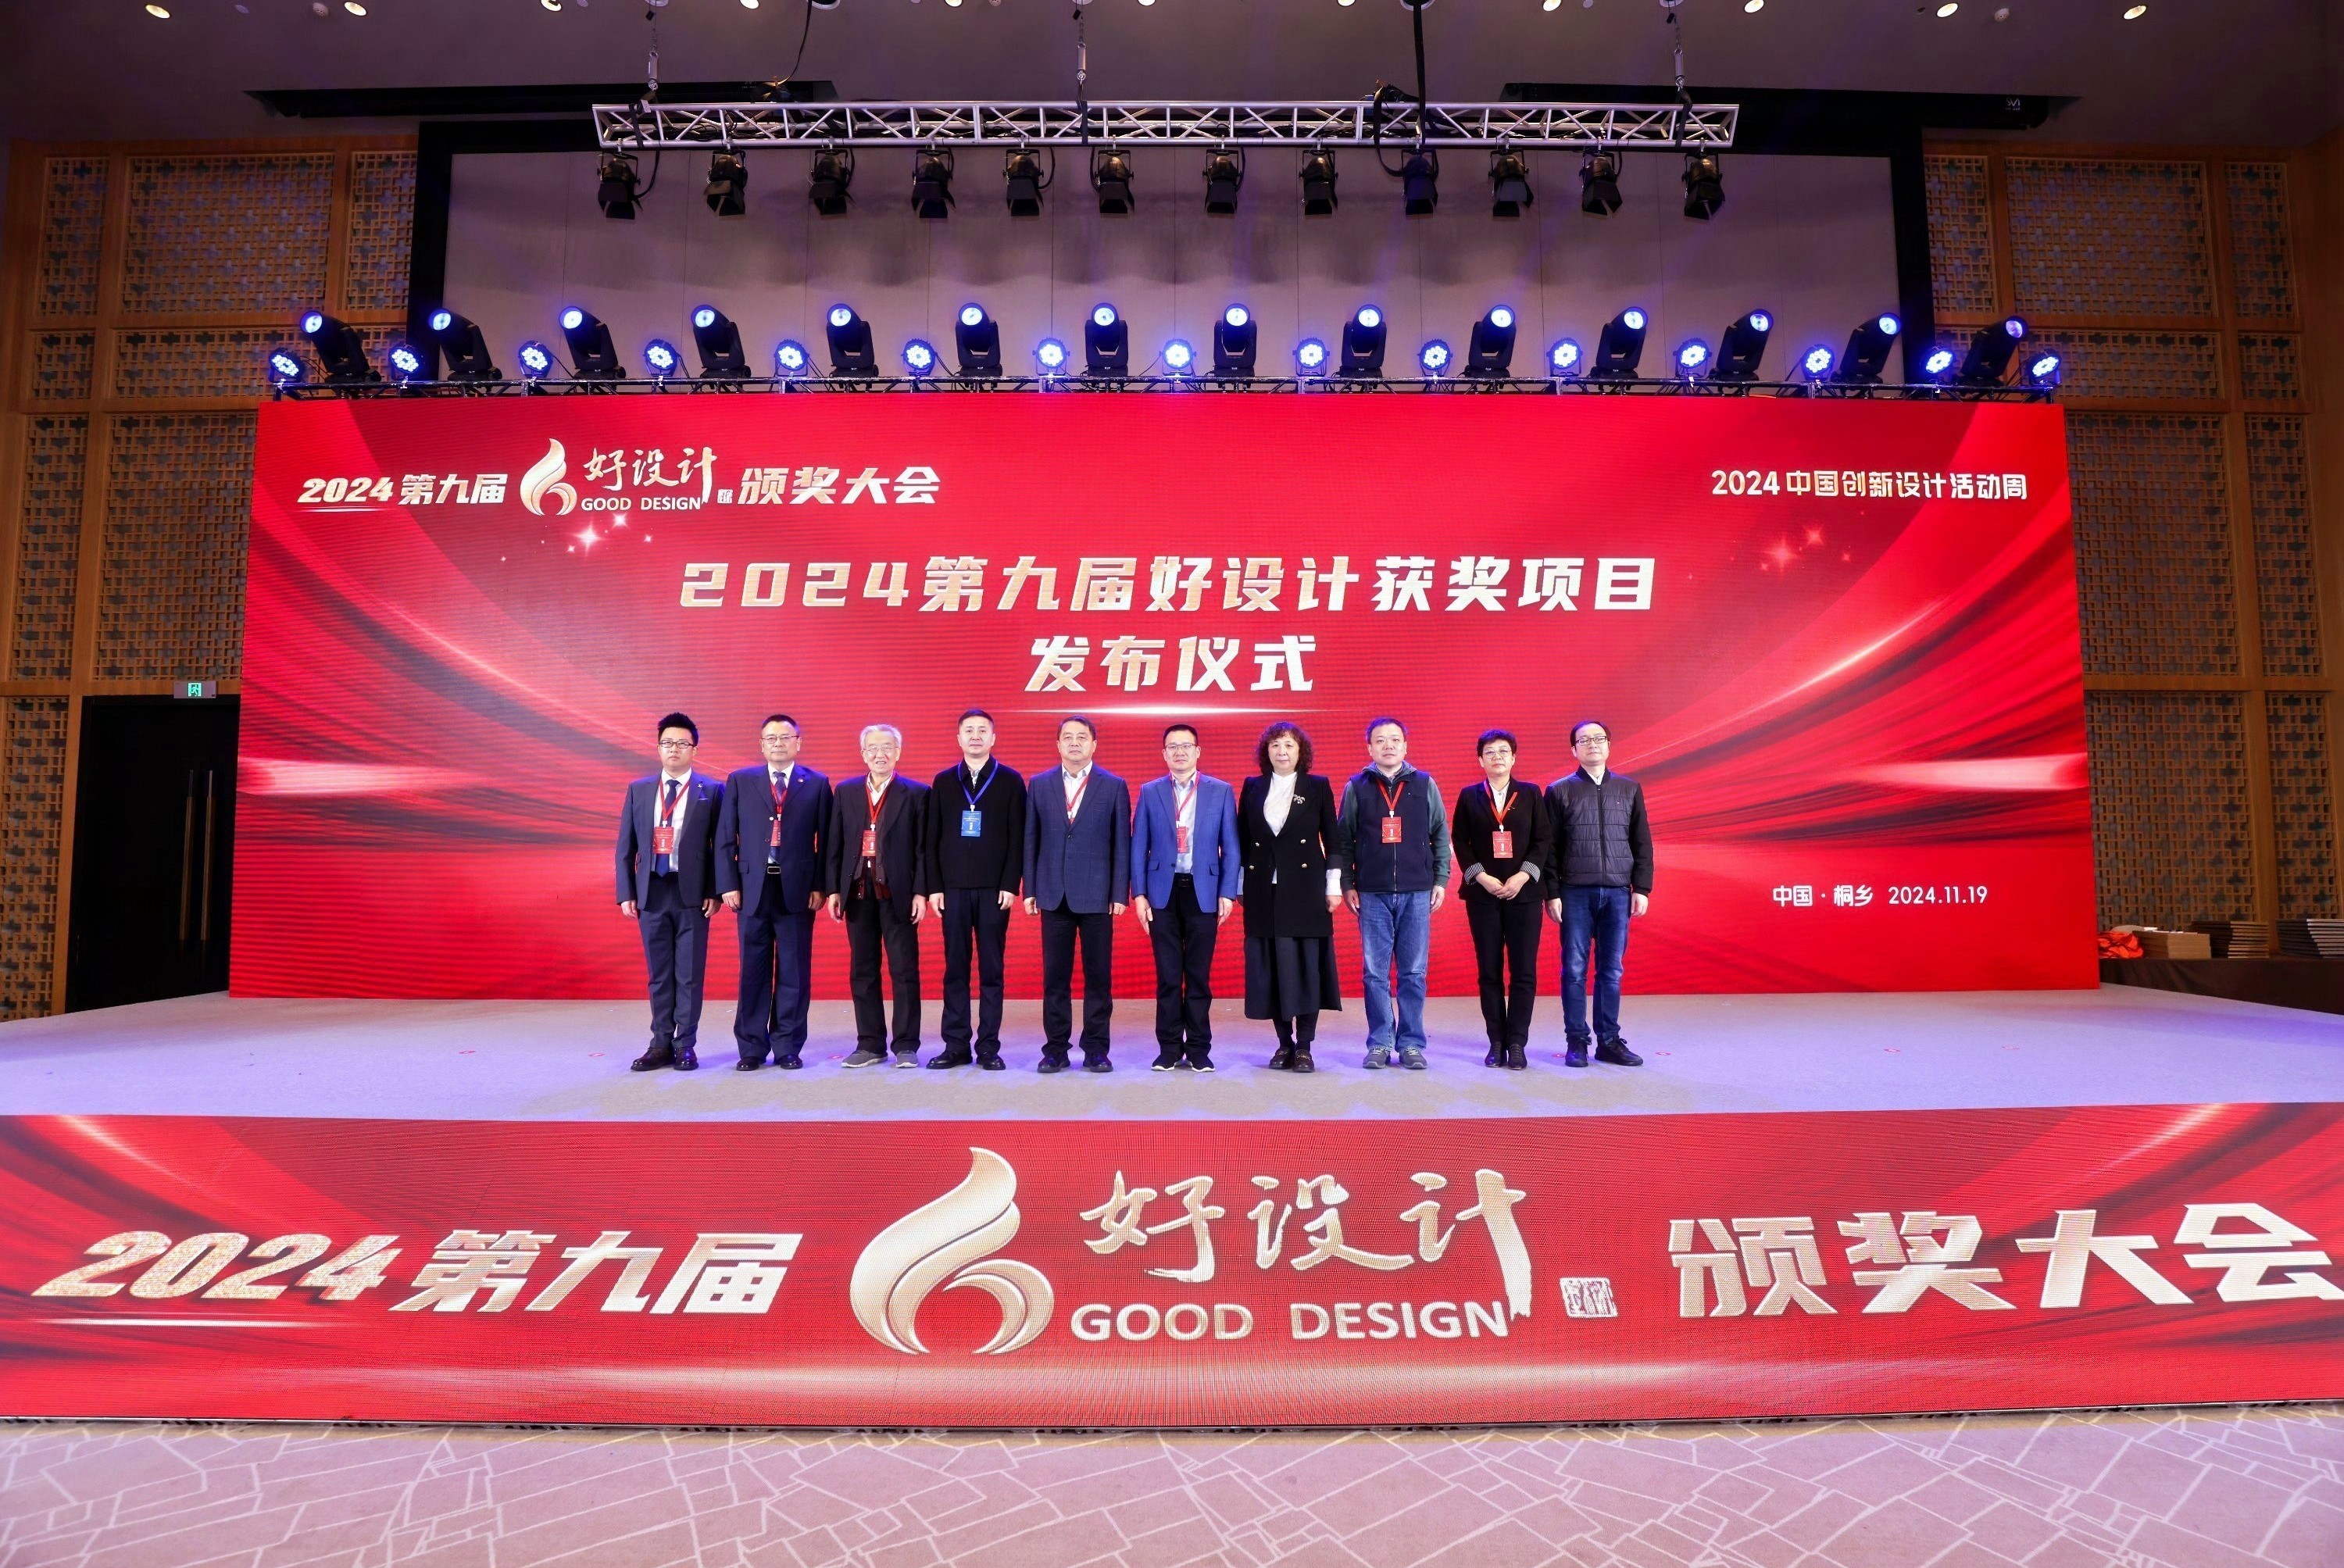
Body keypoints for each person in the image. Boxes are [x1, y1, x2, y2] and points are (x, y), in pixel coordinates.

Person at [1333, 716, 1452, 1071]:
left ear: (1405, 746)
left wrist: (1441, 879)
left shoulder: (1425, 783)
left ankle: (1412, 1043)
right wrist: (1347, 884)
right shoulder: (1356, 786)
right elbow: (1344, 840)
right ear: (1369, 748)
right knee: (1375, 973)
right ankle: (1380, 1042)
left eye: (1395, 739)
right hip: (1372, 893)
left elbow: (1440, 834)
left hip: (1417, 891)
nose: (1388, 746)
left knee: (1414, 972)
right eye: (1380, 740)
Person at [715, 713, 832, 1071]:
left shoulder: (817, 783)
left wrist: (820, 886)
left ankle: (787, 1047)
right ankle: (751, 1047)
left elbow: (827, 842)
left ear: (798, 742)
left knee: (794, 971)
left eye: (785, 737)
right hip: (752, 887)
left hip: (798, 889)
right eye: (771, 738)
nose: (778, 743)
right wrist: (728, 884)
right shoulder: (741, 780)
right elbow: (725, 837)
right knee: (753, 970)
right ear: (761, 744)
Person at [1129, 723, 1242, 1073]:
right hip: (1161, 893)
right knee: (1167, 975)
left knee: (1198, 975)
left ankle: (1198, 1048)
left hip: (1203, 891)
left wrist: (1228, 892)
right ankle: (1168, 1048)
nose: (1180, 752)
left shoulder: (1220, 791)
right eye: (1173, 747)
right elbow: (1138, 846)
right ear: (1164, 754)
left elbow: (1232, 847)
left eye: (1186, 746)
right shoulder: (1150, 791)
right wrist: (1139, 894)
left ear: (1198, 751)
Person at [615, 713, 724, 1073]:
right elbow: (625, 846)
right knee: (659, 973)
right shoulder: (640, 789)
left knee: (689, 974)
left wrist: (715, 891)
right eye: (667, 743)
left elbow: (721, 846)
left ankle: (685, 1045)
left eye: (682, 743)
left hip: (692, 894)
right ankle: (660, 1043)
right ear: (658, 747)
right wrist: (626, 891)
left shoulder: (712, 790)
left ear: (695, 749)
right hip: (652, 891)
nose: (674, 749)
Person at [1543, 719, 1654, 1069]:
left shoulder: (1629, 788)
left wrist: (1642, 888)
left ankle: (1609, 1041)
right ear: (1573, 749)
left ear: (1608, 745)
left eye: (1599, 738)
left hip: (1619, 892)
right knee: (1574, 969)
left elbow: (1642, 842)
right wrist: (1552, 893)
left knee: (1612, 970)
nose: (1593, 744)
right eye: (1584, 740)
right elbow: (1549, 849)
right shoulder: (1559, 791)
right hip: (1574, 892)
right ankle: (1577, 1040)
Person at [1023, 714, 1131, 1073]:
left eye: (1081, 737)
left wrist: (1120, 892)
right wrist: (1031, 888)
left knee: (1098, 977)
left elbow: (1122, 843)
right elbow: (1031, 839)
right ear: (1058, 744)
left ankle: (1096, 1049)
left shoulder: (1113, 785)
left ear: (1093, 744)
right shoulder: (1039, 784)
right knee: (1055, 978)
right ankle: (1055, 1049)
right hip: (1053, 894)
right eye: (1067, 737)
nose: (1074, 743)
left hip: (1098, 896)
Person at [1238, 720, 1344, 1073]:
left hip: (1306, 888)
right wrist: (1239, 885)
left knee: (1306, 968)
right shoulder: (1253, 786)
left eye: (1289, 745)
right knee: (1272, 969)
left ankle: (1305, 1047)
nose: (1282, 752)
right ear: (1266, 752)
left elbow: (1333, 839)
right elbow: (1242, 840)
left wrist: (1333, 885)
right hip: (1263, 890)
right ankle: (1284, 1044)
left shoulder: (1317, 786)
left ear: (1301, 752)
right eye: (1275, 745)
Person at [924, 709, 1026, 1071]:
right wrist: (935, 886)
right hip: (952, 889)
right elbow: (931, 838)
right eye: (969, 730)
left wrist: (1010, 884)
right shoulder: (943, 781)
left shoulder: (1011, 780)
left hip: (993, 890)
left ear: (993, 738)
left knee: (992, 970)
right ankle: (955, 1046)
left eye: (983, 730)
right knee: (955, 968)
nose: (976, 736)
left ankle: (988, 1048)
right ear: (959, 738)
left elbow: (1018, 838)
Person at [824, 724, 929, 1067]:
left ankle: (906, 1044)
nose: (879, 754)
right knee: (863, 969)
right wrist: (833, 890)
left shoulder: (917, 793)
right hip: (857, 891)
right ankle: (870, 1044)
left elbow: (923, 849)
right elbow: (835, 844)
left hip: (898, 893)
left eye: (887, 747)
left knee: (904, 969)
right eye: (872, 748)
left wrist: (921, 892)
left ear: (898, 753)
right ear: (863, 754)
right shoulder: (846, 791)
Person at [1452, 729, 1554, 1072]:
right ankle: (1496, 1041)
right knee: (1489, 971)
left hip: (1524, 894)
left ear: (1514, 758)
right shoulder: (1469, 796)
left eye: (1504, 751)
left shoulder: (1531, 793)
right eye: (1490, 752)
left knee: (1523, 971)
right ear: (1480, 759)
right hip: (1483, 895)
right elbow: (1460, 841)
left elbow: (1543, 840)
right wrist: (1481, 877)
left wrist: (1523, 876)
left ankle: (1517, 1042)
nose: (1497, 757)